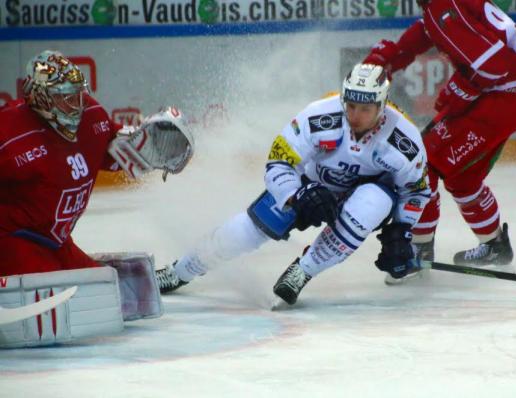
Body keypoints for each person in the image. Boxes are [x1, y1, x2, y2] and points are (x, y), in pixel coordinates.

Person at [156, 63, 431, 305]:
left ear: (382, 106)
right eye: (351, 105)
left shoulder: (404, 141)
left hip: (365, 194)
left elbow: (416, 191)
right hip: (309, 186)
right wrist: (295, 195)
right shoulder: (318, 115)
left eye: (365, 109)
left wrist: (401, 229)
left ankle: (302, 271)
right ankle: (180, 271)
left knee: (374, 201)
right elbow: (278, 161)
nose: (355, 115)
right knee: (246, 231)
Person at [362, 0, 516, 272]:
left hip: (501, 97)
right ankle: (495, 247)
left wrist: (457, 91)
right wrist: (392, 56)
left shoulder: (441, 6)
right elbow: (426, 31)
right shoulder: (441, 6)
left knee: (423, 164)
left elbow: (494, 65)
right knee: (463, 178)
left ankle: (419, 252)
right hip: (509, 95)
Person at [0, 50, 193, 277]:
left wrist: (150, 147)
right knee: (64, 297)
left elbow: (116, 149)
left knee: (107, 285)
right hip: (13, 239)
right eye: (66, 97)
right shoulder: (9, 133)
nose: (77, 104)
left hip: (56, 241)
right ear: (41, 97)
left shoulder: (92, 115)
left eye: (79, 94)